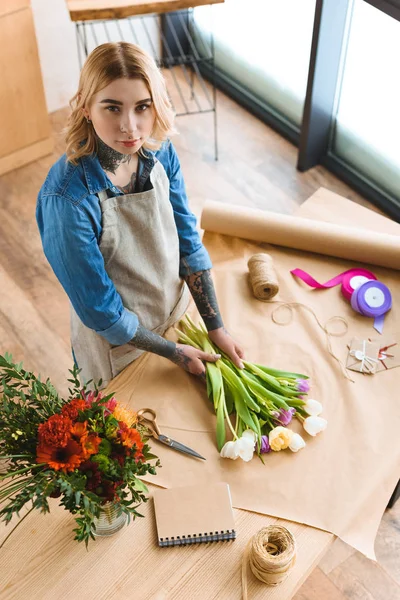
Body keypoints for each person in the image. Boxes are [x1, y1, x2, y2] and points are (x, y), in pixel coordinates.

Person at [37, 41, 244, 389]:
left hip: (174, 315)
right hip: (119, 347)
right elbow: (101, 312)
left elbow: (188, 243)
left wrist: (216, 327)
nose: (130, 127)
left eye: (142, 107)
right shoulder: (66, 200)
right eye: (112, 108)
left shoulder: (160, 151)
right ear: (87, 108)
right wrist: (174, 353)